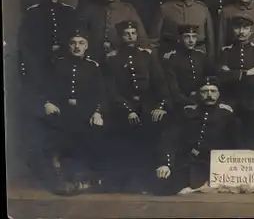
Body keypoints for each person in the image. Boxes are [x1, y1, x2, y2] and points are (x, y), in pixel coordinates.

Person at [105, 20, 172, 193]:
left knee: (156, 130)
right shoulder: (112, 59)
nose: (130, 36)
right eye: (126, 33)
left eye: (133, 33)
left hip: (148, 105)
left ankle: (155, 178)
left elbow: (160, 83)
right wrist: (128, 110)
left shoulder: (147, 55)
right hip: (123, 107)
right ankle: (129, 182)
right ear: (120, 36)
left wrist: (161, 105)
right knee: (126, 139)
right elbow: (111, 90)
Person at [41, 25, 106, 195]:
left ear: (87, 46)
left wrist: (98, 112)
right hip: (62, 111)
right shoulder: (58, 65)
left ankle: (82, 178)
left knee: (88, 134)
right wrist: (48, 102)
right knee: (56, 134)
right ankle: (60, 177)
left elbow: (100, 93)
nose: (77, 46)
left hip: (84, 112)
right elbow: (48, 88)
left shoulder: (93, 67)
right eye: (73, 43)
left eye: (81, 43)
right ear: (68, 45)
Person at [154, 76, 240, 195]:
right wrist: (165, 164)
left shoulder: (226, 115)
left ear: (218, 94)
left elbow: (235, 146)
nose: (209, 95)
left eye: (213, 91)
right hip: (187, 164)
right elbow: (169, 138)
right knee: (162, 185)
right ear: (198, 94)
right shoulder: (187, 112)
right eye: (205, 91)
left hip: (213, 168)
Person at [18, 0, 78, 96]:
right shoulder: (33, 12)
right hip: (41, 61)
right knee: (43, 93)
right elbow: (25, 40)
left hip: (64, 60)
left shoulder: (69, 12)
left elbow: (75, 35)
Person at [217, 14, 254, 145]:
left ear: (251, 31)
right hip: (230, 97)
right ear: (232, 30)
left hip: (253, 98)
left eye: (245, 28)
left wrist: (233, 74)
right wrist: (248, 73)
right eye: (237, 28)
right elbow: (222, 78)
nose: (241, 32)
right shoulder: (226, 52)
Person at [78, 0, 149, 64]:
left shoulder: (128, 10)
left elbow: (141, 36)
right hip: (95, 57)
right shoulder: (91, 10)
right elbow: (81, 33)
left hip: (120, 58)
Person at [159, 0, 215, 65]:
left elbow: (210, 40)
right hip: (173, 58)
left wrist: (210, 61)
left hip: (199, 58)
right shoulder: (165, 9)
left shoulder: (202, 9)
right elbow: (154, 40)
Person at [160, 24, 210, 109]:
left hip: (202, 99)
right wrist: (191, 102)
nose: (191, 40)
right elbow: (174, 91)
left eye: (194, 37)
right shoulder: (171, 59)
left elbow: (208, 80)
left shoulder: (201, 56)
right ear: (180, 38)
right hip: (181, 103)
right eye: (187, 37)